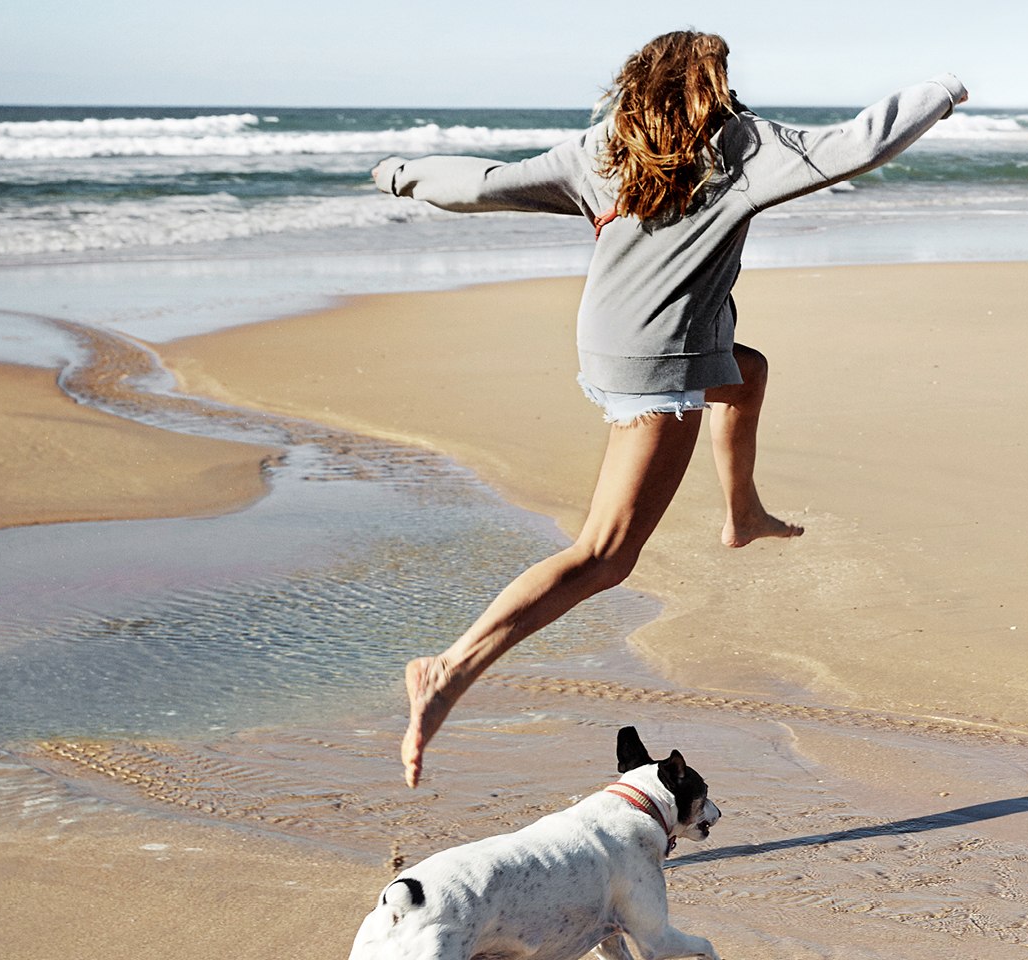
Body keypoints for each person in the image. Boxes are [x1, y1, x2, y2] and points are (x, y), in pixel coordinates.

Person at [370, 30, 967, 786]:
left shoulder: (602, 149)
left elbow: (483, 183)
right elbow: (857, 145)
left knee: (746, 372)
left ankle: (742, 512)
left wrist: (398, 174)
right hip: (662, 362)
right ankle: (450, 670)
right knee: (604, 554)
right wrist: (942, 90)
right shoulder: (742, 150)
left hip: (613, 341)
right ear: (712, 85)